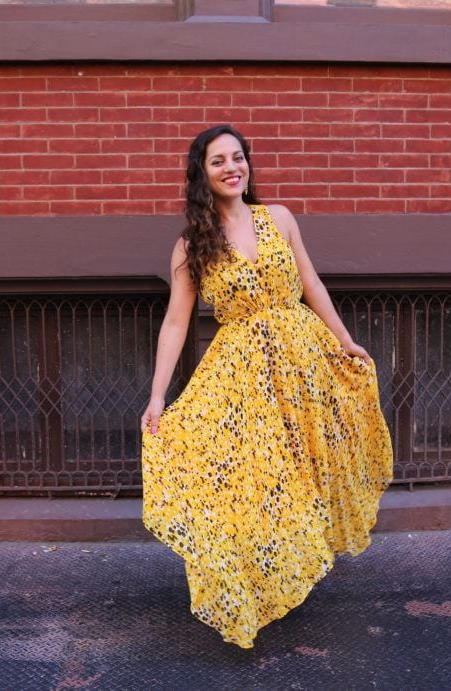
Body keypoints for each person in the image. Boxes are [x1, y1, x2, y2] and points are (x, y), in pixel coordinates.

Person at [140, 125, 394, 649]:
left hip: (303, 362)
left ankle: (287, 570)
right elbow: (175, 323)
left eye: (238, 157)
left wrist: (346, 341)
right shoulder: (192, 246)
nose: (232, 167)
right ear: (201, 174)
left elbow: (311, 282)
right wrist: (158, 395)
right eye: (218, 161)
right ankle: (250, 586)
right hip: (242, 374)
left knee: (304, 470)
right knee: (252, 480)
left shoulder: (278, 218)